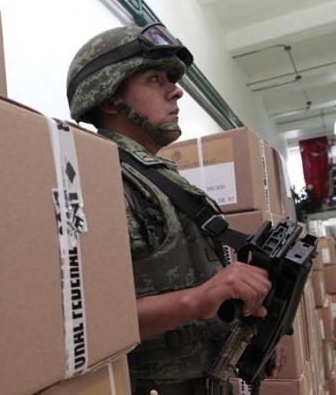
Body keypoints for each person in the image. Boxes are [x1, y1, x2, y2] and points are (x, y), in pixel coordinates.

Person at [65, 23, 278, 395]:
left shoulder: (159, 178)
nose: (175, 90)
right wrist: (198, 300)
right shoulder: (94, 178)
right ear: (110, 98)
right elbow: (82, 321)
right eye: (154, 78)